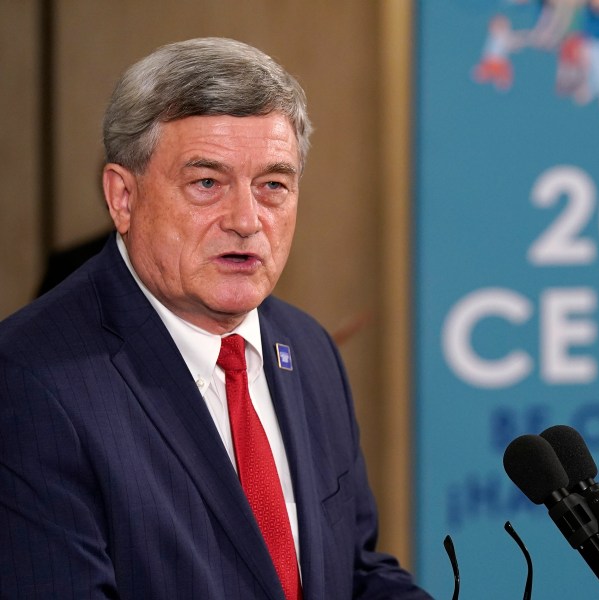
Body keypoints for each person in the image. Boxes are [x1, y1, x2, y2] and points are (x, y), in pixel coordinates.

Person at [0, 37, 433, 600]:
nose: (247, 220)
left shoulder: (308, 348)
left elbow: (352, 570)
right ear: (122, 197)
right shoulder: (30, 380)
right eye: (207, 183)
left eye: (273, 185)